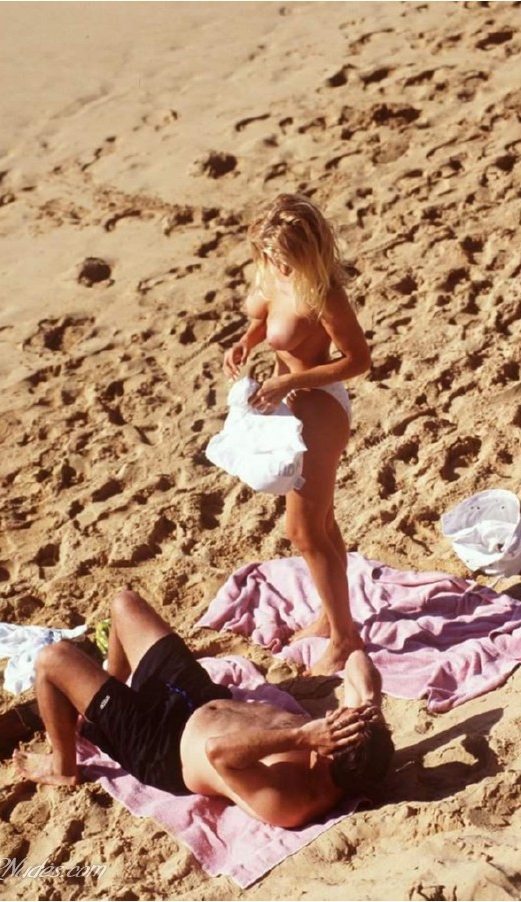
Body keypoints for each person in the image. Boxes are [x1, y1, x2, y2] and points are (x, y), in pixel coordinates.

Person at [14, 589, 393, 829]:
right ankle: (108, 690)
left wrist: (302, 735)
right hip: (198, 695)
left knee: (52, 658)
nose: (331, 718)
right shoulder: (350, 742)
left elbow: (218, 752)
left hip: (159, 744)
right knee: (123, 604)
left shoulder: (291, 800)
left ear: (327, 754)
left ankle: (64, 768)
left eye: (334, 724)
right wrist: (369, 708)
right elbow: (357, 660)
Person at [222, 193, 372, 675]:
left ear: (304, 251)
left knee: (304, 530)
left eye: (282, 256)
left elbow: (358, 361)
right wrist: (244, 342)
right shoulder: (273, 270)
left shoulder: (324, 294)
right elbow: (263, 315)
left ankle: (345, 639)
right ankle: (331, 616)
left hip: (320, 409)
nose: (274, 264)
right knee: (321, 522)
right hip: (289, 405)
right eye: (268, 255)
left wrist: (290, 381)